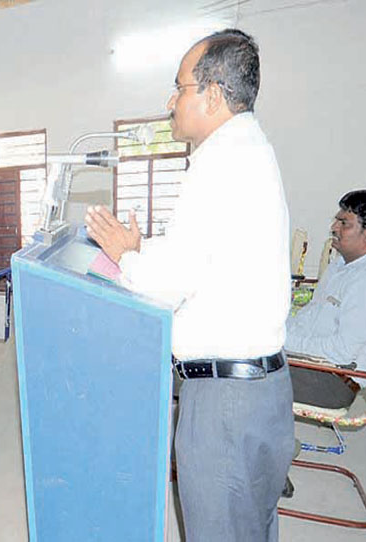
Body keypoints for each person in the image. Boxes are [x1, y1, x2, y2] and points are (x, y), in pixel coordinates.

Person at [84, 29, 292, 542]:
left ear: (213, 95)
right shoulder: (250, 152)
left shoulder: (221, 164)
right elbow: (204, 257)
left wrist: (125, 255)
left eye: (179, 87)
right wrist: (141, 250)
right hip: (261, 391)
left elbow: (171, 282)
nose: (170, 101)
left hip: (225, 405)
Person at [286, 190, 366, 408]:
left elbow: (342, 351)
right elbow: (308, 318)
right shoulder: (338, 266)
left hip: (333, 381)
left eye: (344, 223)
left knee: (243, 376)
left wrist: (283, 341)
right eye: (336, 221)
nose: (334, 228)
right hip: (311, 367)